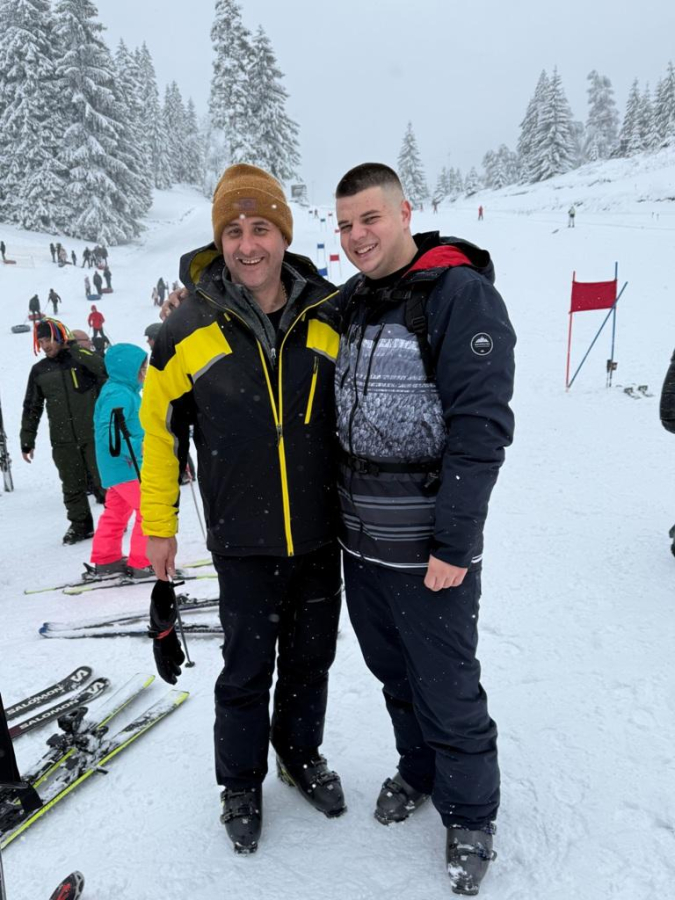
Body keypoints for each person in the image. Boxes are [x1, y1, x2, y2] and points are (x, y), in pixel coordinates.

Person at [140, 163, 345, 855]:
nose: (247, 244)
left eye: (261, 228)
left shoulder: (328, 314)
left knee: (311, 661)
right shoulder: (185, 329)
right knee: (246, 670)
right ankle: (240, 784)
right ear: (218, 241)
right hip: (242, 539)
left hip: (319, 533)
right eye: (233, 231)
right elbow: (160, 434)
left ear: (283, 235)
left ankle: (299, 753)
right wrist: (160, 526)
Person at [334, 163, 515, 896]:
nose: (356, 236)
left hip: (427, 551)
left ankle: (470, 814)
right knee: (394, 676)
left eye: (369, 218)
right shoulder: (353, 301)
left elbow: (480, 428)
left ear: (405, 212)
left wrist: (454, 544)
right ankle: (419, 768)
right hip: (359, 544)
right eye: (345, 225)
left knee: (446, 684)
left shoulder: (459, 295)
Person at [20, 319, 107, 543]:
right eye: (40, 342)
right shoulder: (39, 371)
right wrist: (27, 440)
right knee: (71, 484)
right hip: (63, 439)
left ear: (59, 337)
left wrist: (75, 348)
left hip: (92, 433)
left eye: (47, 340)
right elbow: (32, 406)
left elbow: (104, 371)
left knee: (104, 480)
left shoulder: (81, 359)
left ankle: (114, 520)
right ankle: (80, 525)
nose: (44, 346)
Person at [89, 344, 151, 578]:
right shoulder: (119, 394)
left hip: (116, 468)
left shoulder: (122, 391)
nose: (145, 372)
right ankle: (144, 561)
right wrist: (138, 447)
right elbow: (109, 432)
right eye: (142, 368)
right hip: (127, 466)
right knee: (149, 509)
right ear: (128, 369)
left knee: (116, 513)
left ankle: (107, 559)